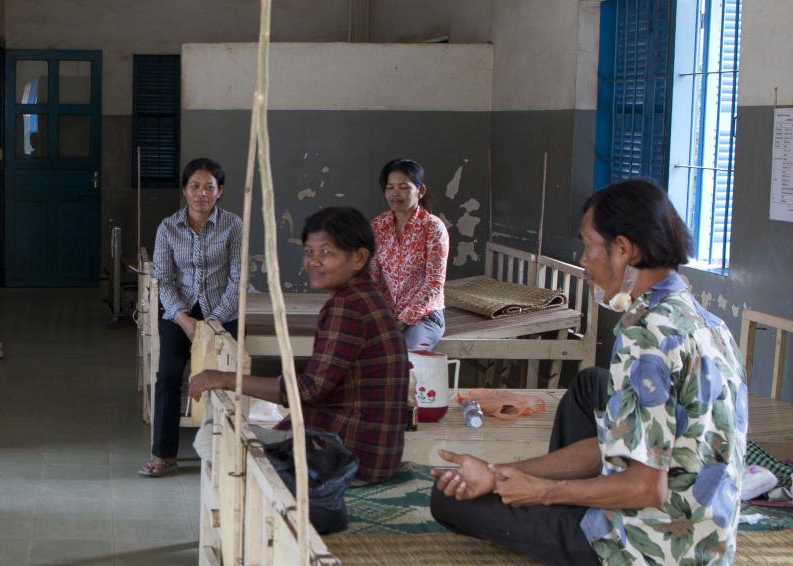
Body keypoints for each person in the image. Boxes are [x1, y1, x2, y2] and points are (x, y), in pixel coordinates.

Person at [426, 179, 747, 565]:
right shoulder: (707, 321)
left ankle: (568, 520)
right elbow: (615, 443)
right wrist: (499, 473)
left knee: (447, 498)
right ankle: (560, 502)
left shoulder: (645, 338)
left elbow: (647, 488)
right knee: (590, 385)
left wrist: (541, 491)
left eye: (588, 244)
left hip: (650, 548)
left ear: (623, 249)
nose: (583, 259)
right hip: (711, 543)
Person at [188, 207, 412, 485]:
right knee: (247, 434)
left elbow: (308, 390)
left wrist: (223, 378)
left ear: (359, 258)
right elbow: (325, 379)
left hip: (351, 457)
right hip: (374, 453)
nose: (313, 262)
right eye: (309, 252)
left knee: (212, 437)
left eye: (327, 253)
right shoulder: (366, 297)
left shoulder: (348, 307)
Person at [145, 158, 244, 477]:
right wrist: (184, 319)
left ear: (220, 192)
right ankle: (164, 453)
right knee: (169, 375)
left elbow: (238, 277)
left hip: (221, 310)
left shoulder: (233, 225)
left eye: (209, 187)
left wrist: (214, 321)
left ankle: (224, 450)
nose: (202, 193)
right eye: (195, 186)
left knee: (226, 377)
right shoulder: (167, 227)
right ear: (185, 190)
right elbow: (163, 277)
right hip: (180, 311)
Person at [370, 159, 449, 352]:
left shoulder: (433, 227)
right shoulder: (377, 226)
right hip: (387, 315)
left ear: (420, 191)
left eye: (404, 187)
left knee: (407, 356)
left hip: (424, 316)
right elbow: (372, 278)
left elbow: (434, 283)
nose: (395, 193)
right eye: (390, 187)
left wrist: (403, 320)